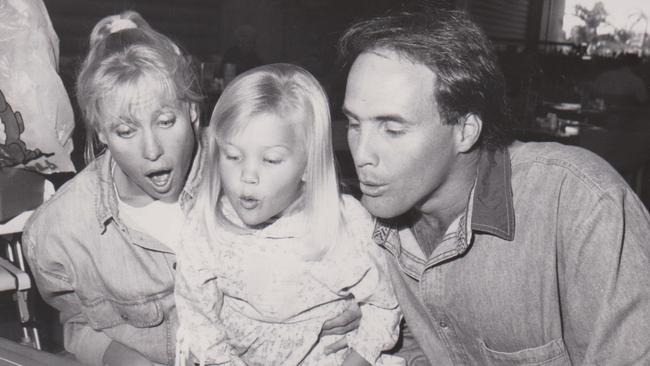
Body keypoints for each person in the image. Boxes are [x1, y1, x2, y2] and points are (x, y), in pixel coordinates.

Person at [22, 11, 360, 366]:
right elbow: (76, 324)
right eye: (125, 131)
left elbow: (342, 227)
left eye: (166, 121)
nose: (152, 150)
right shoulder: (58, 232)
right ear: (102, 133)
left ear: (193, 111)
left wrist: (353, 301)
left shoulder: (248, 166)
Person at [338, 10, 650, 366]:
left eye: (392, 130)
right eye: (353, 123)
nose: (361, 155)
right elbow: (413, 344)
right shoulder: (367, 221)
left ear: (466, 130)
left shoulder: (580, 204)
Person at [174, 63, 402, 366]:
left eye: (270, 159)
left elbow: (383, 304)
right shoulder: (205, 227)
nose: (247, 176)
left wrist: (358, 358)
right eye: (233, 156)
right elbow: (198, 319)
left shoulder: (345, 224)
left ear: (308, 165)